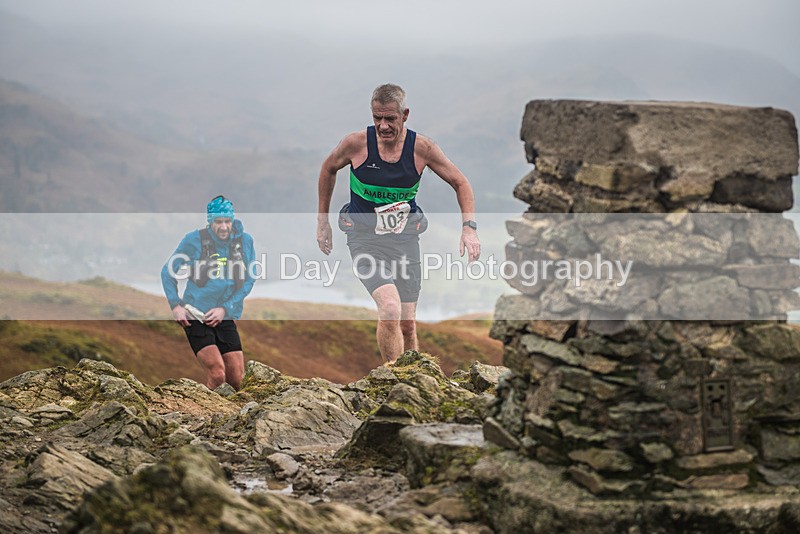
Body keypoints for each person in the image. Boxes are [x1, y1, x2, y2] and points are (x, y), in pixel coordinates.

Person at [316, 83, 480, 365]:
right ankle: (393, 382)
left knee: (408, 323)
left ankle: (417, 379)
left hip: (405, 240)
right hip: (364, 239)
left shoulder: (422, 149)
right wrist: (323, 221)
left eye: (390, 118)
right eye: (377, 118)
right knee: (390, 309)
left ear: (405, 115)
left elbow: (460, 182)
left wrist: (469, 228)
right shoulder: (356, 144)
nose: (383, 126)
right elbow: (328, 168)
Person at [161, 195, 256, 391]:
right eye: (218, 222)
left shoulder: (244, 241)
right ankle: (211, 416)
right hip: (194, 314)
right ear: (210, 222)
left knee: (237, 379)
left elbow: (249, 279)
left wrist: (225, 308)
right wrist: (175, 305)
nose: (223, 227)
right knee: (218, 373)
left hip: (225, 314)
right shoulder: (193, 240)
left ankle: (234, 418)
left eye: (227, 221)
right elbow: (167, 271)